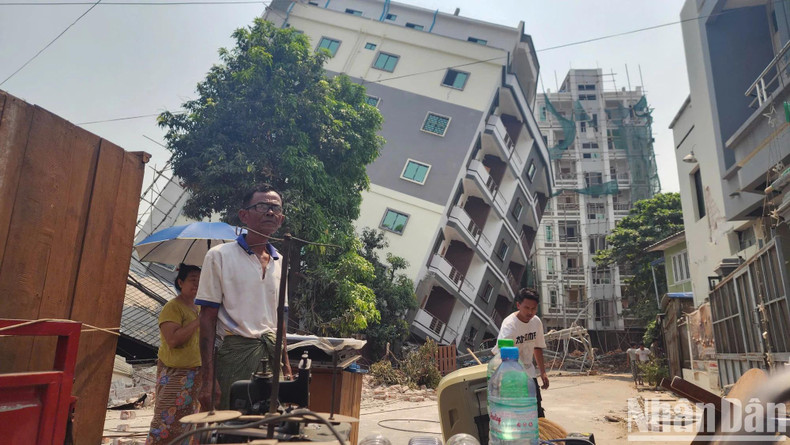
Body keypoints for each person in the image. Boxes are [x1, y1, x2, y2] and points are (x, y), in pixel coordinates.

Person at [196, 184, 293, 410]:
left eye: (275, 208)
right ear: (244, 215)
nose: (270, 212)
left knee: (268, 426)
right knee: (228, 429)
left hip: (271, 358)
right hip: (233, 357)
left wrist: (286, 366)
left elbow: (280, 321)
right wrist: (208, 379)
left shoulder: (280, 263)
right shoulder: (219, 256)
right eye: (261, 206)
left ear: (280, 219)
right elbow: (207, 318)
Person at [145, 264, 202, 445]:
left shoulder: (198, 308)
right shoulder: (173, 307)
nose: (197, 285)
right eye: (193, 281)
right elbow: (173, 340)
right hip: (175, 374)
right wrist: (198, 322)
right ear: (180, 282)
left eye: (201, 281)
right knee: (165, 421)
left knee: (186, 424)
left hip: (194, 374)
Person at [496, 288, 549, 417]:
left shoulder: (536, 322)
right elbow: (502, 354)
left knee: (536, 412)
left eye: (534, 308)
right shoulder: (509, 326)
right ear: (518, 305)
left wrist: (542, 372)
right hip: (512, 378)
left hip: (529, 374)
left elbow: (537, 347)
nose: (530, 312)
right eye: (527, 308)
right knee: (518, 414)